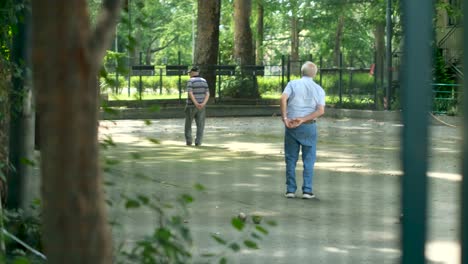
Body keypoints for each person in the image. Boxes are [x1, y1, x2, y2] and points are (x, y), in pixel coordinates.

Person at [280, 61, 325, 199]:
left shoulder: (292, 84)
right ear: (315, 74)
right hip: (309, 126)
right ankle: (307, 190)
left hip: (292, 125)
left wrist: (285, 118)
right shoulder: (319, 89)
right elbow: (320, 110)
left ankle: (290, 190)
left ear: (301, 71)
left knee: (291, 158)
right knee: (309, 160)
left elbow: (283, 98)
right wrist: (304, 119)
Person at [185, 66, 210, 146]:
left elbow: (190, 93)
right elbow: (207, 94)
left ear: (192, 72)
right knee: (200, 125)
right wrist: (203, 104)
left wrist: (195, 103)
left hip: (191, 106)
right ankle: (198, 142)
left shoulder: (190, 81)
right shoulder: (204, 81)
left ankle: (189, 142)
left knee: (188, 124)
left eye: (189, 73)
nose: (189, 74)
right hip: (202, 107)